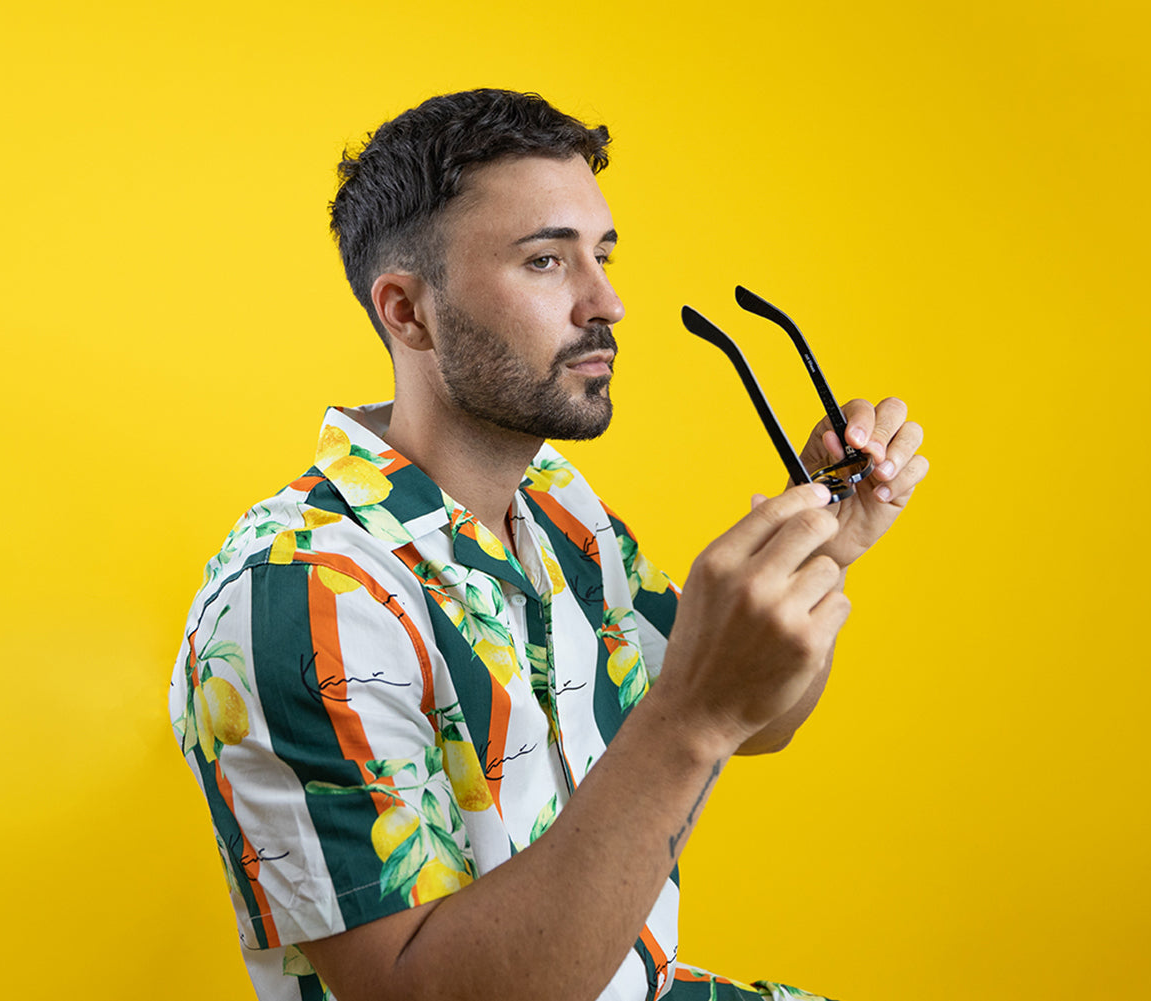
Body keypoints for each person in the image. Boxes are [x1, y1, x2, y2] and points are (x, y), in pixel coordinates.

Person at [169, 89, 927, 1001]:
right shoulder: (302, 594)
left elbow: (755, 718)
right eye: (545, 261)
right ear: (407, 313)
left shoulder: (557, 511)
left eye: (601, 256)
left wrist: (823, 549)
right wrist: (690, 717)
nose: (606, 301)